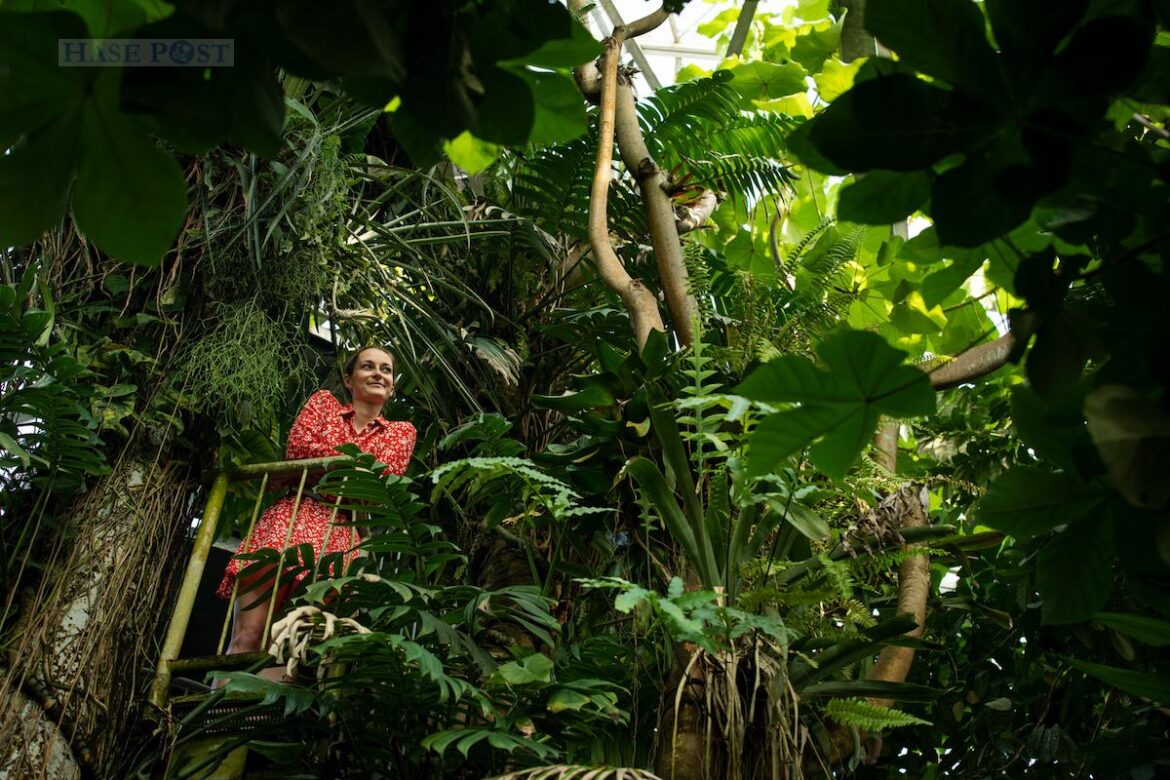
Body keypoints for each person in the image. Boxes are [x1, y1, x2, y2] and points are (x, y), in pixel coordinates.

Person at [215, 346, 417, 663]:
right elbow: (298, 450)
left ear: (392, 388)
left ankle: (257, 712)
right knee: (247, 634)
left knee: (288, 642)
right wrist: (357, 467)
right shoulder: (323, 405)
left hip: (339, 537)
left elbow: (382, 483)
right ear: (349, 380)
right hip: (287, 521)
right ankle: (221, 706)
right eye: (368, 366)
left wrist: (327, 461)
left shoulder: (401, 433)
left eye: (386, 370)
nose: (378, 373)